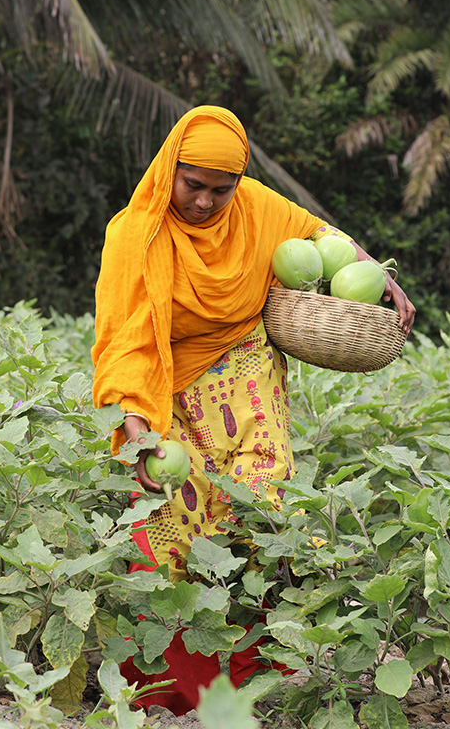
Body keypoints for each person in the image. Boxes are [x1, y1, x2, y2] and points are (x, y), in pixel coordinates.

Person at [91, 105, 414, 714]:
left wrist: (376, 275)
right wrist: (138, 435)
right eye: (194, 187)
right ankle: (172, 693)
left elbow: (322, 235)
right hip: (171, 398)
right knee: (170, 539)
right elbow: (125, 341)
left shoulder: (259, 208)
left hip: (248, 379)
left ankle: (253, 682)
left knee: (258, 522)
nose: (208, 203)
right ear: (170, 172)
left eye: (222, 189)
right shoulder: (134, 235)